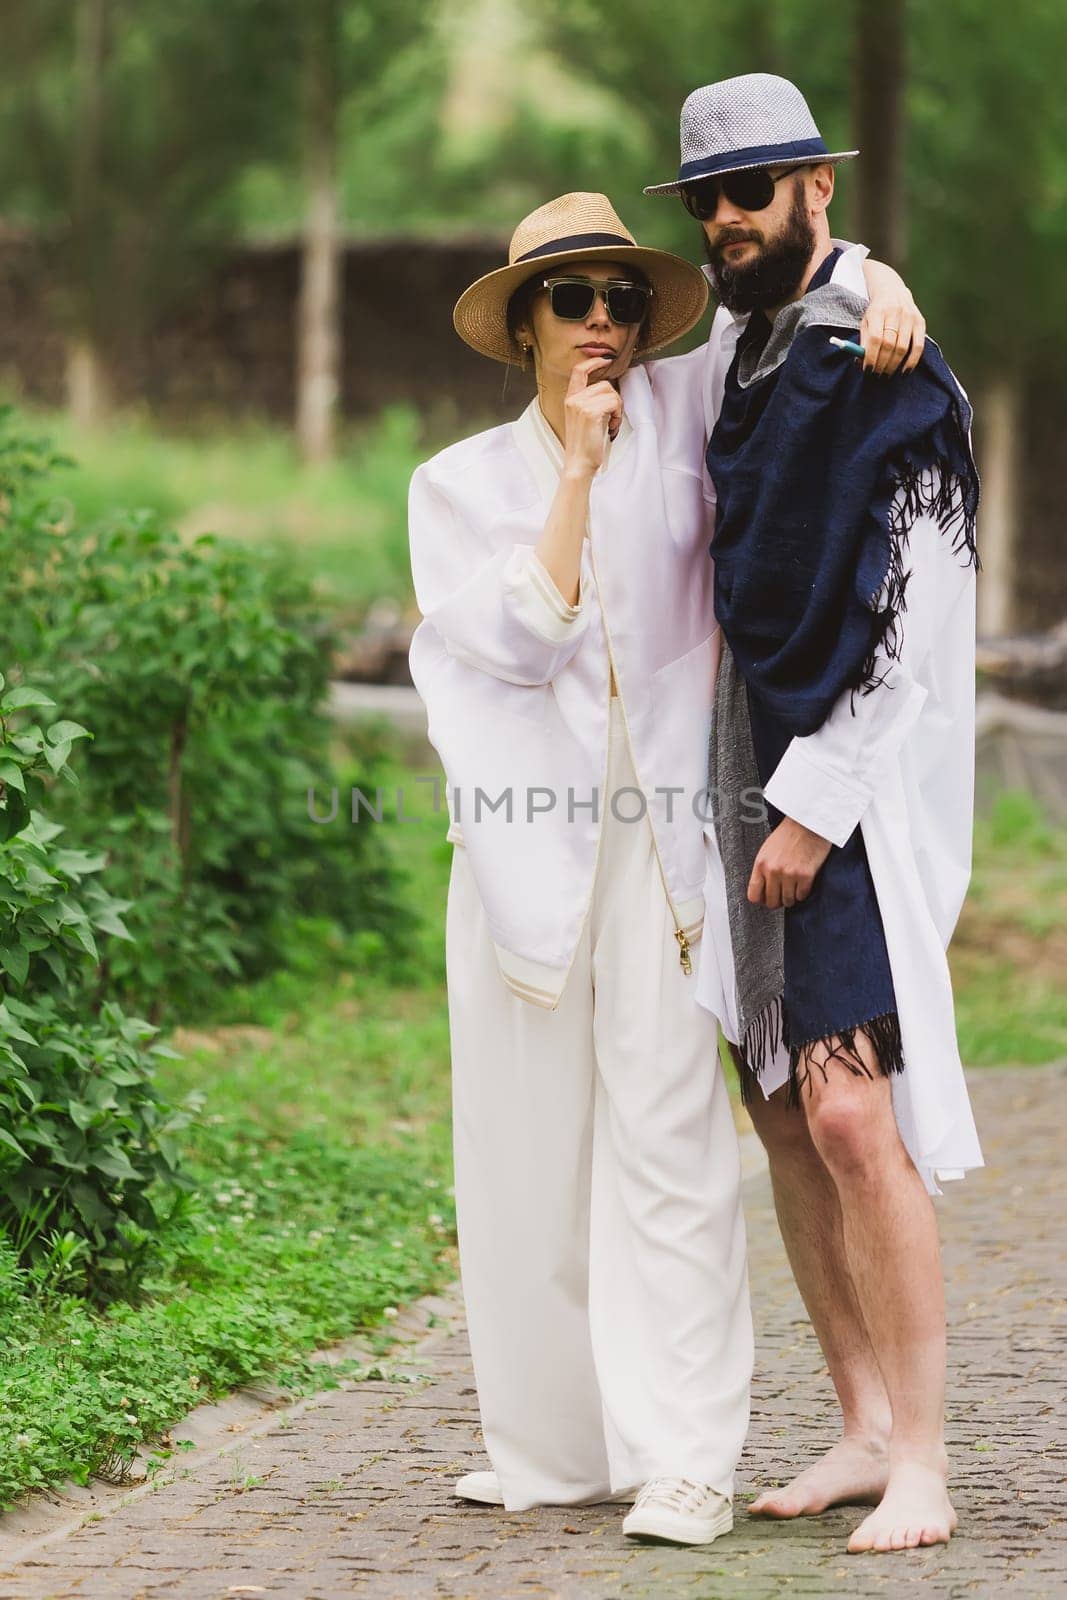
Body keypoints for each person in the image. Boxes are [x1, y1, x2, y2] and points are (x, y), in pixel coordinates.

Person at [406, 189, 920, 1546]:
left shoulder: (688, 416)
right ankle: (555, 1445)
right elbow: (524, 638)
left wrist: (875, 276)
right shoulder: (454, 487)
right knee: (520, 1161)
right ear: (523, 324)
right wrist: (577, 468)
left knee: (673, 1148)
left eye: (622, 300)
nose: (602, 324)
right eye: (572, 301)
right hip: (523, 858)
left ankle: (685, 1452)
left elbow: (800, 315)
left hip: (671, 856)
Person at [645, 74, 983, 1554]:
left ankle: (927, 1459)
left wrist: (817, 807)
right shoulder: (737, 350)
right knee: (779, 1108)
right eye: (708, 198)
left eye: (753, 190)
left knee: (852, 1113)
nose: (725, 219)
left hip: (841, 784)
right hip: (731, 770)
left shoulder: (892, 367)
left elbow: (916, 624)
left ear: (816, 191)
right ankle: (857, 1423)